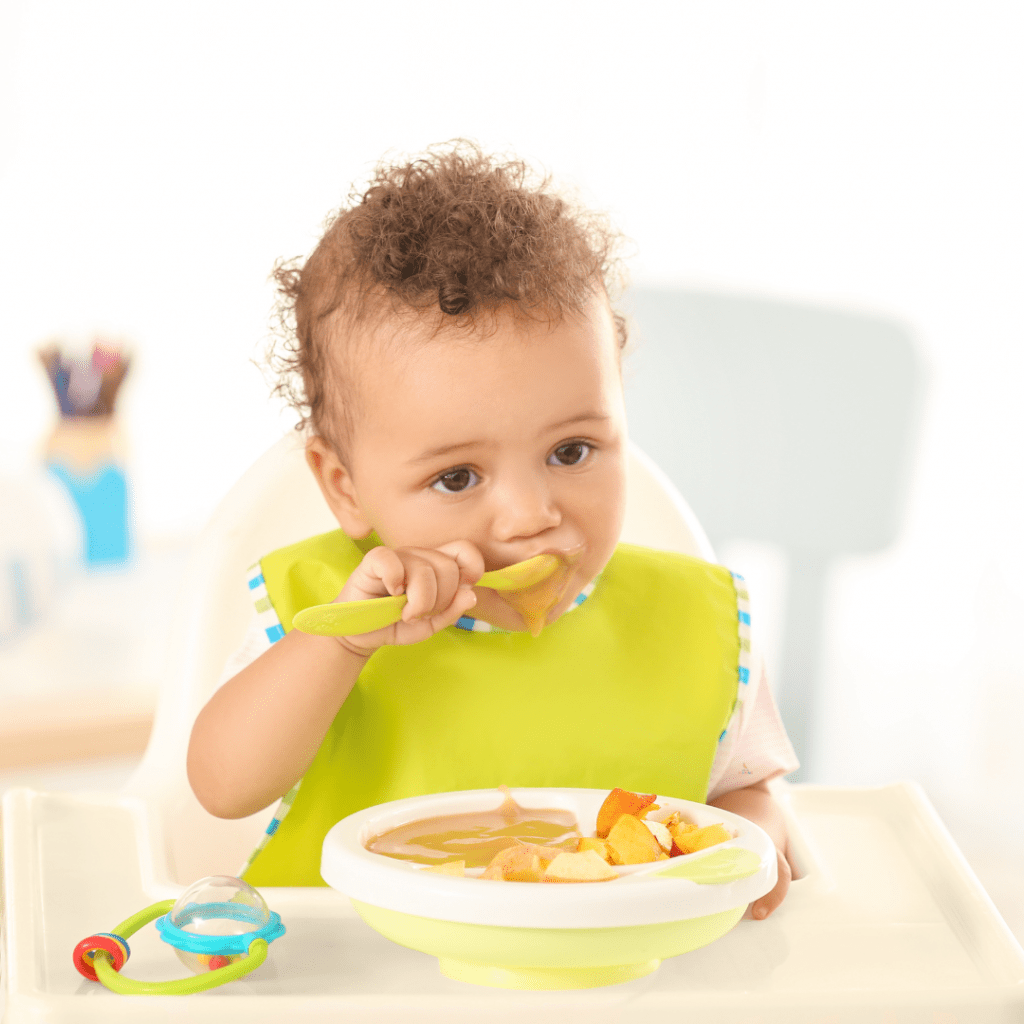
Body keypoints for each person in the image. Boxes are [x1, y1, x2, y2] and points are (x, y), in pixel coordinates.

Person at [187, 141, 799, 918]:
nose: (530, 515)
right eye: (456, 478)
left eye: (571, 452)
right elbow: (220, 784)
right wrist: (340, 645)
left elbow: (749, 791)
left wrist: (748, 841)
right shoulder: (330, 617)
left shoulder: (690, 624)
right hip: (360, 986)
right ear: (346, 489)